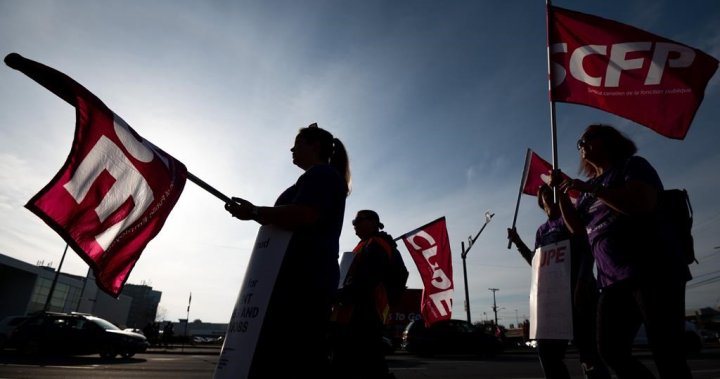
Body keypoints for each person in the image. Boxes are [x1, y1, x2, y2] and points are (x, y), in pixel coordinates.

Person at [554, 124, 692, 379]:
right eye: (579, 143)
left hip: (653, 271)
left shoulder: (632, 166)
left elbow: (641, 204)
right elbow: (577, 230)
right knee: (610, 350)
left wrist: (593, 189)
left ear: (608, 140)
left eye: (586, 139)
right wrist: (563, 195)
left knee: (667, 353)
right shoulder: (587, 190)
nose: (581, 146)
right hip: (612, 281)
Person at [225, 123, 351, 379]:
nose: (292, 149)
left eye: (298, 143)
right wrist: (255, 213)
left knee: (291, 358)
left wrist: (256, 212)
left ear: (314, 145)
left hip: (303, 279)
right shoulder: (320, 177)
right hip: (303, 278)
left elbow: (305, 215)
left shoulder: (321, 175)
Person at [508, 184, 609, 379]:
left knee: (589, 355)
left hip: (579, 296)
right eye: (546, 193)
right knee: (547, 353)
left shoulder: (570, 221)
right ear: (541, 202)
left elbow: (587, 251)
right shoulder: (541, 231)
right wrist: (518, 241)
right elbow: (538, 264)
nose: (550, 195)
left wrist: (582, 281)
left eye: (552, 191)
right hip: (553, 302)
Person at [330, 210, 396, 379]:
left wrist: (342, 294)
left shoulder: (376, 244)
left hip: (363, 314)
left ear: (373, 222)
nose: (354, 225)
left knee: (364, 363)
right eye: (354, 222)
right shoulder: (364, 245)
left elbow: (367, 280)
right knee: (363, 363)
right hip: (353, 312)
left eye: (359, 220)